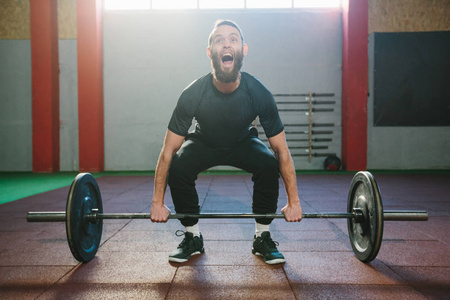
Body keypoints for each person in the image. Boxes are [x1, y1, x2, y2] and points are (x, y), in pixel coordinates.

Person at [150, 20, 302, 265]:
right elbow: (168, 151)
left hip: (243, 141)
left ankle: (262, 237)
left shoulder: (258, 93)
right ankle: (192, 237)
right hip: (204, 141)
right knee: (178, 165)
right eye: (219, 40)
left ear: (243, 50)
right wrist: (157, 203)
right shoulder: (193, 94)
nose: (226, 44)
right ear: (210, 53)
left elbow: (281, 151)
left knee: (267, 162)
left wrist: (294, 202)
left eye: (233, 39)